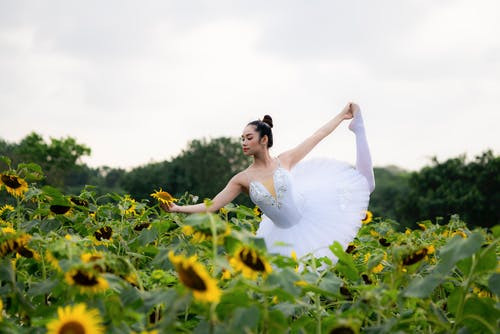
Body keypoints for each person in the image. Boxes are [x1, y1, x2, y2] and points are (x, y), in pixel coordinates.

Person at [161, 102, 375, 262]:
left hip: (313, 217)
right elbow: (213, 206)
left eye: (248, 138)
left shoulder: (285, 160)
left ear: (264, 140)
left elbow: (317, 135)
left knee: (365, 185)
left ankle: (360, 128)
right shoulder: (241, 179)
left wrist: (341, 116)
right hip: (280, 236)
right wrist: (178, 208)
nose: (244, 143)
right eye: (242, 139)